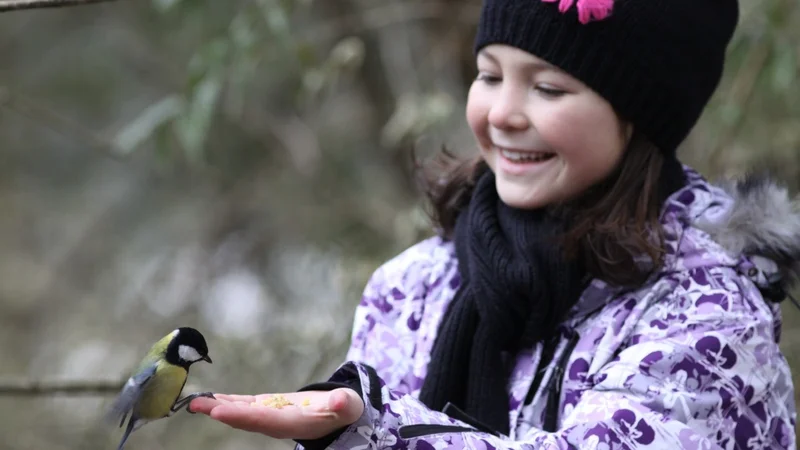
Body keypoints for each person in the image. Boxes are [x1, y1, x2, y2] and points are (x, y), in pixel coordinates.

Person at [190, 0, 800, 448]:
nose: (504, 113)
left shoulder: (711, 311)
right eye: (488, 75)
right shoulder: (413, 285)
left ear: (640, 117)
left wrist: (376, 437)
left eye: (549, 88)